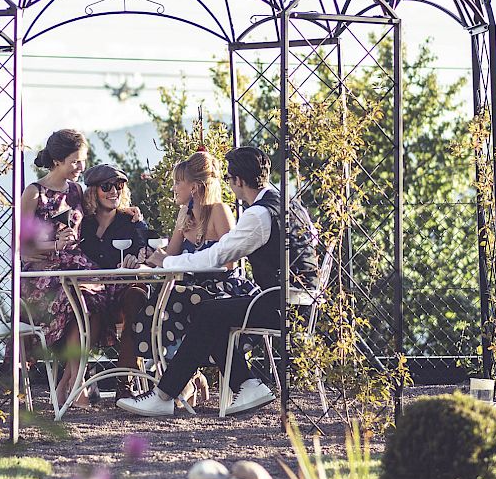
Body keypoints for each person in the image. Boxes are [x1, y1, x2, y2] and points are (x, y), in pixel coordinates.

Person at [117, 146, 321, 417]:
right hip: (303, 298)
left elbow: (218, 256)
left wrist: (167, 262)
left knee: (208, 311)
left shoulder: (258, 214)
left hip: (280, 302)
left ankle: (166, 395)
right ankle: (244, 384)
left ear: (237, 181)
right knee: (211, 311)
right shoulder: (289, 204)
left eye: (230, 180)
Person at [122, 151, 252, 395]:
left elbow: (229, 264)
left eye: (177, 182)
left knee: (178, 300)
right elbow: (167, 257)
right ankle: (184, 378)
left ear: (193, 187)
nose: (173, 187)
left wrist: (172, 260)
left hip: (221, 288)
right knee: (160, 300)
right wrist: (145, 259)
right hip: (189, 289)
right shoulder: (185, 215)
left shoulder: (219, 211)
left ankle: (179, 382)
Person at [18, 128, 122, 408]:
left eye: (82, 160)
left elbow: (100, 213)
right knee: (76, 297)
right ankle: (78, 384)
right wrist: (54, 245)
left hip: (74, 265)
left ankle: (71, 380)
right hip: (41, 274)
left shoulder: (76, 191)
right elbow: (23, 249)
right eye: (75, 161)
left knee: (99, 295)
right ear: (57, 162)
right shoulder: (34, 193)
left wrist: (127, 211)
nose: (80, 167)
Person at [78, 162, 152, 377]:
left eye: (118, 186)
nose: (113, 191)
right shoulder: (83, 224)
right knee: (83, 304)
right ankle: (76, 377)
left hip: (123, 290)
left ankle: (124, 380)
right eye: (106, 186)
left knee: (136, 297)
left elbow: (146, 251)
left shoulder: (131, 221)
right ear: (93, 192)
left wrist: (136, 260)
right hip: (94, 292)